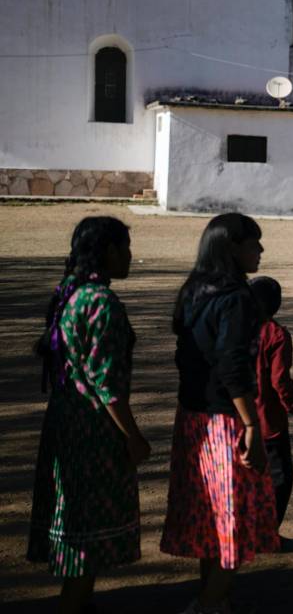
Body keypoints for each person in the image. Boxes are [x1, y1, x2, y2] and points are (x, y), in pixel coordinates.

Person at [28, 217, 149, 614]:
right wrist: (132, 435)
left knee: (77, 512)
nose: (130, 256)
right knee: (85, 519)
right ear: (109, 251)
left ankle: (80, 600)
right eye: (125, 247)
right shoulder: (100, 302)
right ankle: (73, 604)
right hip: (92, 428)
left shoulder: (71, 292)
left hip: (66, 418)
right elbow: (107, 383)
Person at [160, 213, 279, 614]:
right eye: (253, 243)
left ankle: (213, 599)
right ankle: (208, 604)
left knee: (209, 520)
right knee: (234, 522)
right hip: (225, 422)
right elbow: (233, 366)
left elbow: (186, 355)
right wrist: (250, 425)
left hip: (193, 418)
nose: (260, 250)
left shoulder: (194, 290)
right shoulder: (236, 298)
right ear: (231, 247)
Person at [248, 276, 293, 529]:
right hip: (268, 421)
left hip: (234, 417)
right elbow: (280, 383)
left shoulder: (234, 327)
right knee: (279, 477)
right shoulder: (276, 334)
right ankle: (266, 532)